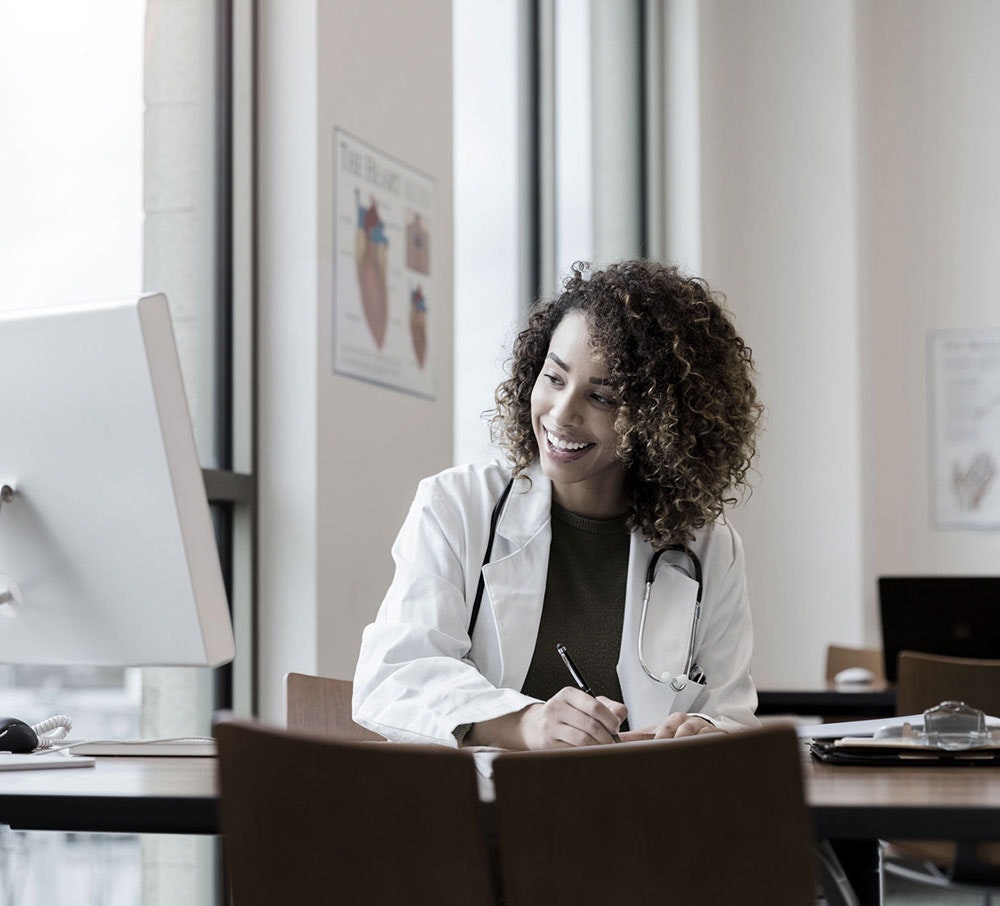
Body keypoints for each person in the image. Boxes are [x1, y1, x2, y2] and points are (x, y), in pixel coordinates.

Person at [353, 259, 764, 749]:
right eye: (554, 378)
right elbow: (394, 677)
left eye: (603, 398)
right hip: (482, 815)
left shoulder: (710, 549)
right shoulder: (456, 507)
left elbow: (732, 712)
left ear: (662, 422)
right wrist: (523, 723)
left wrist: (707, 730)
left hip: (635, 815)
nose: (563, 413)